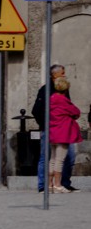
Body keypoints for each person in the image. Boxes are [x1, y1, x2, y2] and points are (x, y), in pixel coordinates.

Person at [32, 64, 79, 192]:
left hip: (63, 129)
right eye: (62, 73)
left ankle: (63, 183)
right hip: (50, 129)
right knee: (47, 157)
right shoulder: (46, 90)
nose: (64, 75)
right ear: (55, 75)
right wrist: (46, 124)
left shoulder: (64, 89)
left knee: (67, 157)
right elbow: (36, 110)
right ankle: (45, 185)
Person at [48, 77, 82, 193]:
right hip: (63, 133)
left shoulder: (51, 99)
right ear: (66, 89)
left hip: (52, 132)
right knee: (59, 160)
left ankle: (49, 185)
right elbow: (76, 112)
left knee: (52, 159)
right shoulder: (63, 100)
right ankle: (58, 185)